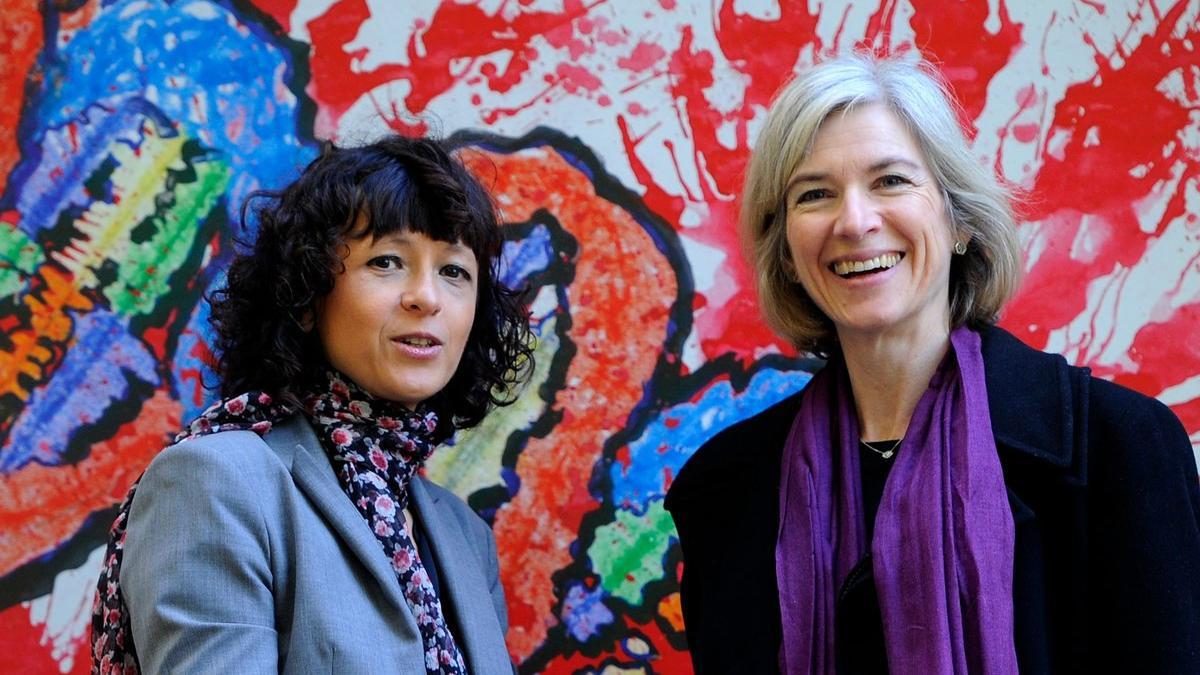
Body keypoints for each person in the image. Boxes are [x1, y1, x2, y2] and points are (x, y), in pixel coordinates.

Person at [664, 53, 1200, 674]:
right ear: (784, 250)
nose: (856, 221)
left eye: (891, 181)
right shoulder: (726, 492)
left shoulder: (1119, 449)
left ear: (959, 222)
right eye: (815, 195)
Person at [89, 135, 533, 674]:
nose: (427, 297)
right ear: (306, 297)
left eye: (454, 271)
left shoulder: (465, 536)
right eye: (388, 261)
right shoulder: (216, 480)